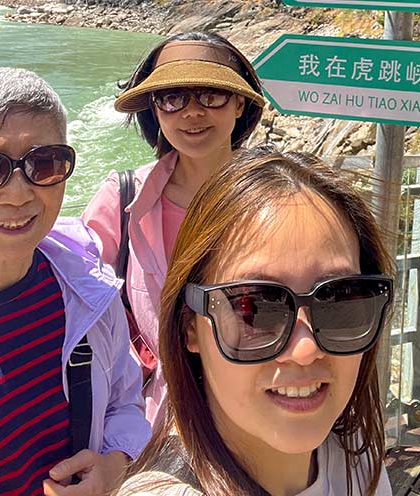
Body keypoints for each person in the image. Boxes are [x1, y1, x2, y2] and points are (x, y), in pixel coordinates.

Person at [117, 147, 395, 496]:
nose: (306, 349)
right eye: (255, 309)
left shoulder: (355, 455)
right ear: (191, 326)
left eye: (339, 300)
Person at [0, 67, 151, 496]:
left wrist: (114, 463)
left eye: (44, 164)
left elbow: (124, 399)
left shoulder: (87, 289)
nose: (19, 193)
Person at [82, 31, 265, 427]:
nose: (192, 112)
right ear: (155, 110)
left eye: (211, 95)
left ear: (239, 104)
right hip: (150, 417)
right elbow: (78, 301)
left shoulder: (276, 200)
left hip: (259, 406)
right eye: (173, 98)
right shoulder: (122, 200)